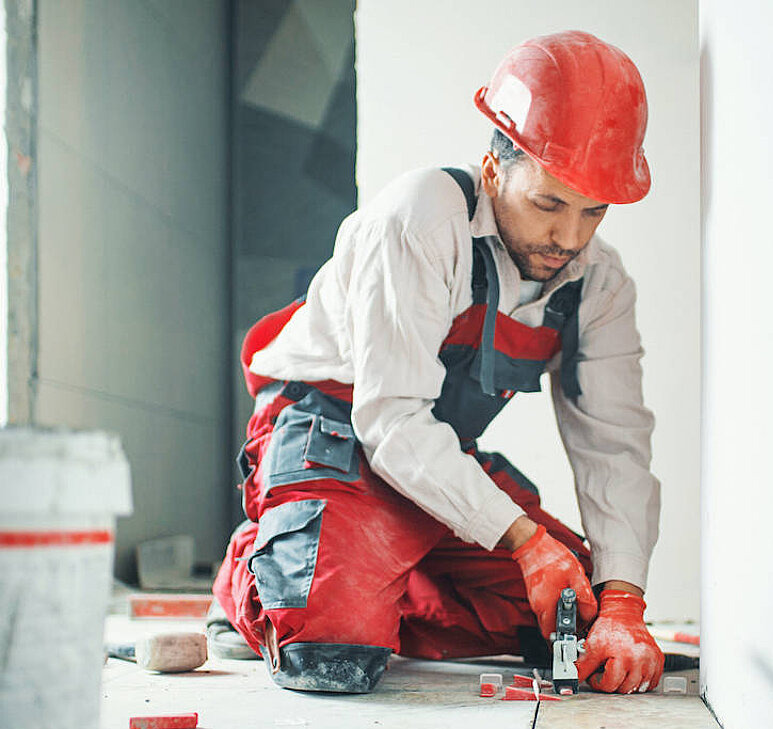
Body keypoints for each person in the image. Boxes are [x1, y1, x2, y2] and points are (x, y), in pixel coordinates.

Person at [209, 30, 663, 695]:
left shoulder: (601, 284)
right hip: (330, 429)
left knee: (569, 616)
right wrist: (522, 540)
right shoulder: (420, 221)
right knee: (329, 652)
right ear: (494, 171)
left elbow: (615, 446)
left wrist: (624, 601)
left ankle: (376, 572)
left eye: (593, 211)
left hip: (431, 457)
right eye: (548, 204)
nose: (569, 238)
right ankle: (262, 576)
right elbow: (391, 420)